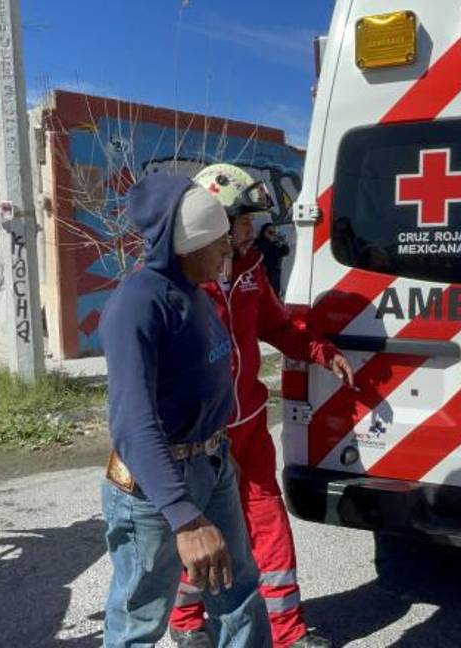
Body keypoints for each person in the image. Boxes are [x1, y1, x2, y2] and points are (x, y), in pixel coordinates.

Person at [166, 164, 353, 648]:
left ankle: (287, 632)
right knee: (208, 532)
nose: (254, 228)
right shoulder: (182, 281)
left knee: (269, 521)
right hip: (200, 437)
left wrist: (320, 352)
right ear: (216, 220)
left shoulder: (251, 268)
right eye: (244, 220)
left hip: (249, 427)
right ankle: (186, 618)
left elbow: (276, 325)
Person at [99, 174, 270, 648]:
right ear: (187, 245)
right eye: (217, 244)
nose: (227, 253)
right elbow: (132, 423)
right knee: (140, 619)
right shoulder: (138, 304)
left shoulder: (193, 292)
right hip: (154, 485)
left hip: (211, 464)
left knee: (237, 592)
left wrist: (219, 448)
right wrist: (185, 518)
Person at [254, 223, 289, 298]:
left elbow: (285, 251)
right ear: (263, 232)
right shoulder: (259, 243)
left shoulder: (274, 245)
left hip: (274, 274)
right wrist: (272, 242)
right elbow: (262, 249)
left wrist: (283, 242)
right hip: (263, 274)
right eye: (270, 232)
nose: (272, 235)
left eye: (274, 233)